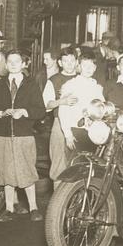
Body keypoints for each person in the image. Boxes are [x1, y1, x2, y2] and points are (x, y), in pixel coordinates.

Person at [0, 49, 47, 221]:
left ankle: (33, 208)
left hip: (23, 135)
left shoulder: (31, 84)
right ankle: (9, 209)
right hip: (2, 135)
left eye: (16, 61)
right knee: (6, 172)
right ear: (5, 64)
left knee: (26, 170)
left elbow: (40, 111)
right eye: (9, 61)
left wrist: (24, 112)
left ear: (24, 64)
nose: (12, 64)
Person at [53, 49, 105, 179]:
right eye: (85, 65)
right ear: (79, 66)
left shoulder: (97, 88)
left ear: (95, 68)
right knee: (73, 170)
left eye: (91, 65)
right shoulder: (71, 85)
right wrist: (68, 134)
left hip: (92, 134)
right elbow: (63, 111)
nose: (88, 68)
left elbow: (100, 110)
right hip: (75, 132)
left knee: (91, 169)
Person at [42, 47, 79, 183]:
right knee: (58, 162)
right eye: (65, 61)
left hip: (81, 123)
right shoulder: (54, 80)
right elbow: (46, 105)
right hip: (59, 123)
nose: (69, 64)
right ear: (60, 63)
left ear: (76, 62)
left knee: (78, 162)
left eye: (72, 60)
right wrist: (62, 101)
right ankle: (57, 202)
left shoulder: (83, 78)